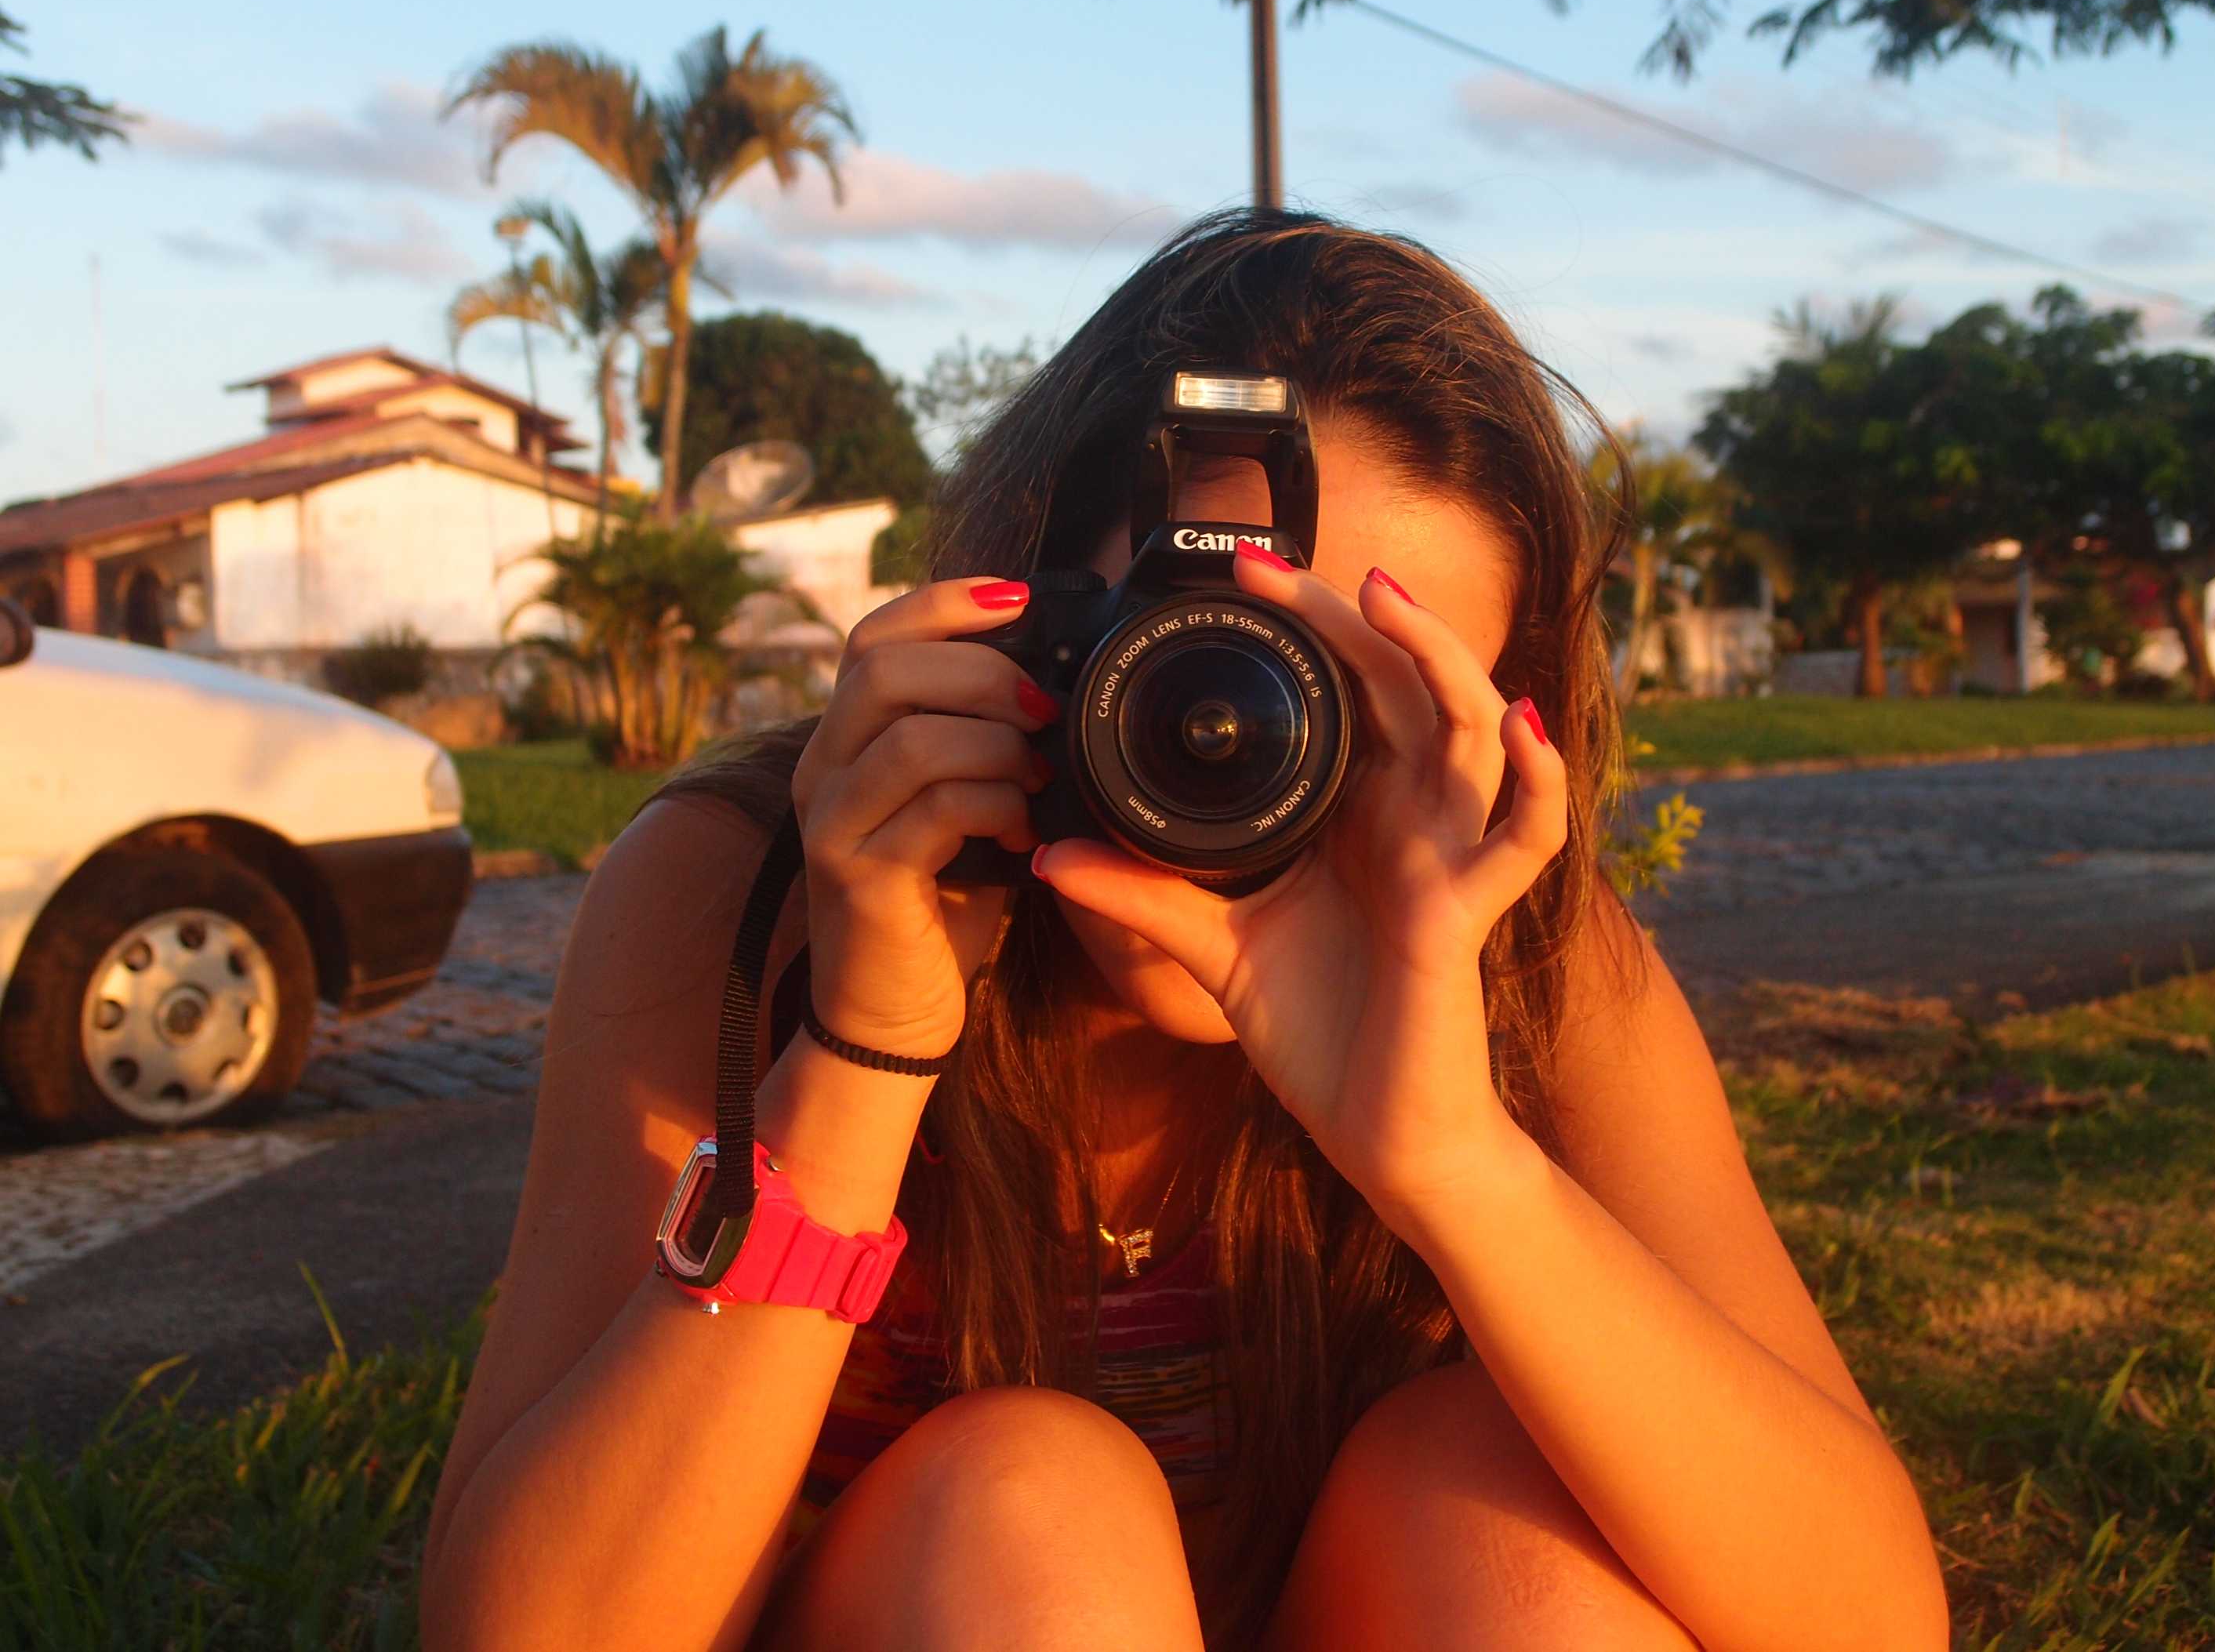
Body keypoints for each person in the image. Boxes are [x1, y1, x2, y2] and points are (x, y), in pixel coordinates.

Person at [419, 208, 1948, 1652]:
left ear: (1498, 741)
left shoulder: (1531, 962)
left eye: (1372, 705)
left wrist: (1453, 1160)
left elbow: (1865, 1618)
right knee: (1022, 1504)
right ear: (1027, 612)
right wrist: (859, 1057)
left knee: (1501, 1523)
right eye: (1207, 663)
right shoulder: (750, 895)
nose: (1249, 746)